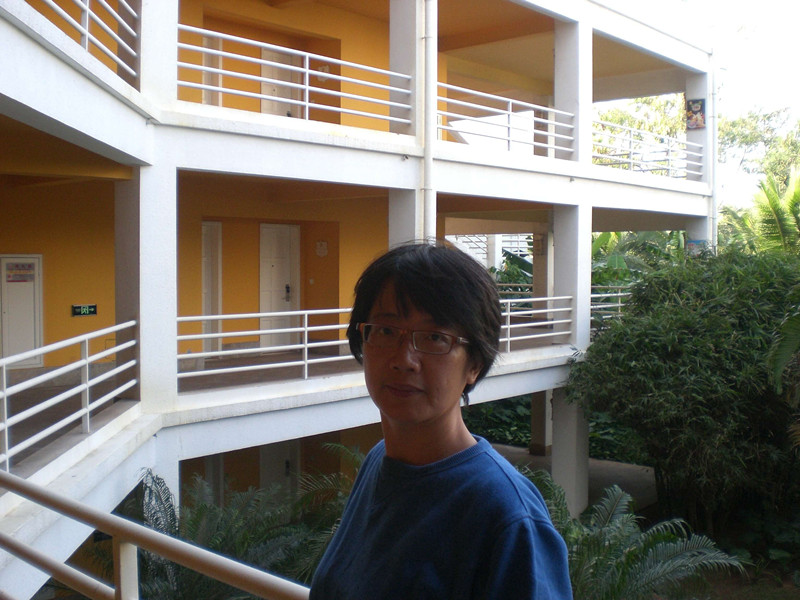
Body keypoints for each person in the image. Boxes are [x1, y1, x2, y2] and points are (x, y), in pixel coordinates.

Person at [309, 241, 572, 599]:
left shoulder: (507, 516)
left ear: (474, 363)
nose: (404, 360)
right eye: (386, 331)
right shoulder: (380, 462)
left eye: (435, 337)